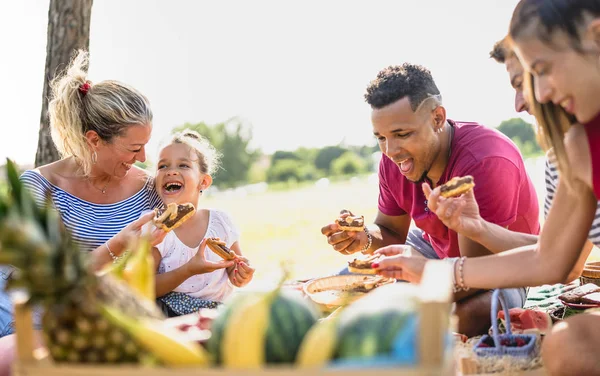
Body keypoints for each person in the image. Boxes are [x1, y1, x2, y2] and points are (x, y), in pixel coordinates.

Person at [373, 1, 600, 374]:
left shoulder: (488, 158)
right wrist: (462, 246)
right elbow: (555, 259)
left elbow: (557, 261)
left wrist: (442, 271)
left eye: (538, 73)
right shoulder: (575, 147)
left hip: (498, 282)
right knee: (568, 345)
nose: (534, 96)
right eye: (527, 79)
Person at [321, 63, 541, 336]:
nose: (391, 150)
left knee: (461, 319)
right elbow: (391, 231)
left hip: (500, 267)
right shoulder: (395, 160)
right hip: (434, 250)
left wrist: (392, 295)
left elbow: (473, 276)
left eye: (402, 134)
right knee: (343, 284)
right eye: (381, 137)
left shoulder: (485, 160)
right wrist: (364, 237)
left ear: (437, 118)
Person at [0, 49, 166, 375]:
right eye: (134, 148)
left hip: (112, 323)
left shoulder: (149, 190)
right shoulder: (38, 189)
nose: (145, 157)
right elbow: (34, 288)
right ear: (94, 140)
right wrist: (115, 247)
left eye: (146, 145)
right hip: (34, 325)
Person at [150, 130, 255, 317]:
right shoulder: (155, 229)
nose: (171, 171)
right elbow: (147, 287)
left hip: (219, 313)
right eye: (162, 166)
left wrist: (242, 274)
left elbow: (234, 269)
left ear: (203, 182)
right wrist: (188, 270)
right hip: (170, 314)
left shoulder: (221, 222)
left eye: (183, 165)